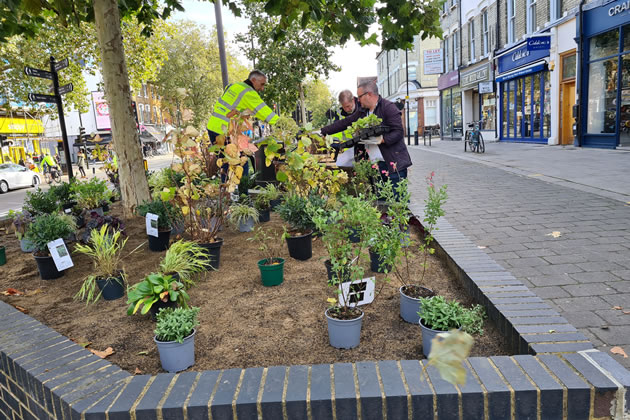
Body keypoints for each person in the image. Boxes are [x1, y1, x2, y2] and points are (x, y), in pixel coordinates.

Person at [206, 70, 279, 180]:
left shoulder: (233, 86)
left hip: (213, 128)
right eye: (262, 84)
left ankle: (227, 193)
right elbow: (266, 114)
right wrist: (284, 124)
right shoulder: (248, 93)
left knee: (225, 163)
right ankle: (242, 194)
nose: (262, 88)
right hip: (224, 131)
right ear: (253, 80)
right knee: (241, 162)